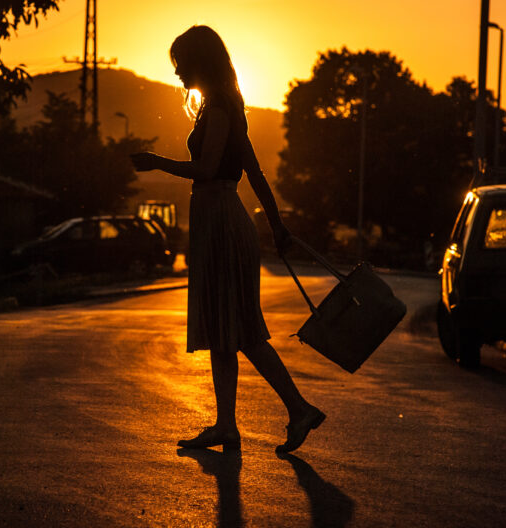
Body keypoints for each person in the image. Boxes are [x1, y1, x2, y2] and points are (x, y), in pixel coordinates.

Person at [130, 25, 324, 453]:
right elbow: (254, 171)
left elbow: (207, 170)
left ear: (201, 60)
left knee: (241, 332)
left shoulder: (219, 109)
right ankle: (227, 425)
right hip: (222, 221)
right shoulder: (226, 107)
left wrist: (157, 162)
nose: (178, 73)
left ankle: (298, 409)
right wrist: (275, 224)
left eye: (181, 64)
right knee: (225, 330)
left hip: (220, 220)